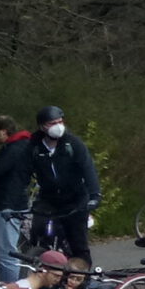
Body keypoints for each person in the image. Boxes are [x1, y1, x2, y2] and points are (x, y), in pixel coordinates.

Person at [27, 106, 99, 264]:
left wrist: (94, 196)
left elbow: (88, 169)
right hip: (49, 199)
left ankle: (82, 282)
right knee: (37, 233)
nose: (58, 126)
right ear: (42, 126)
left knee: (78, 245)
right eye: (52, 123)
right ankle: (39, 266)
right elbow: (22, 173)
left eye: (60, 122)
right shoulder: (33, 147)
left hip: (75, 199)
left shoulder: (72, 144)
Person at [0, 117, 34, 280]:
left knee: (6, 253)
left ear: (3, 131)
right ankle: (7, 287)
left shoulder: (15, 149)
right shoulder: (20, 146)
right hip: (10, 201)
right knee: (2, 251)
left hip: (7, 204)